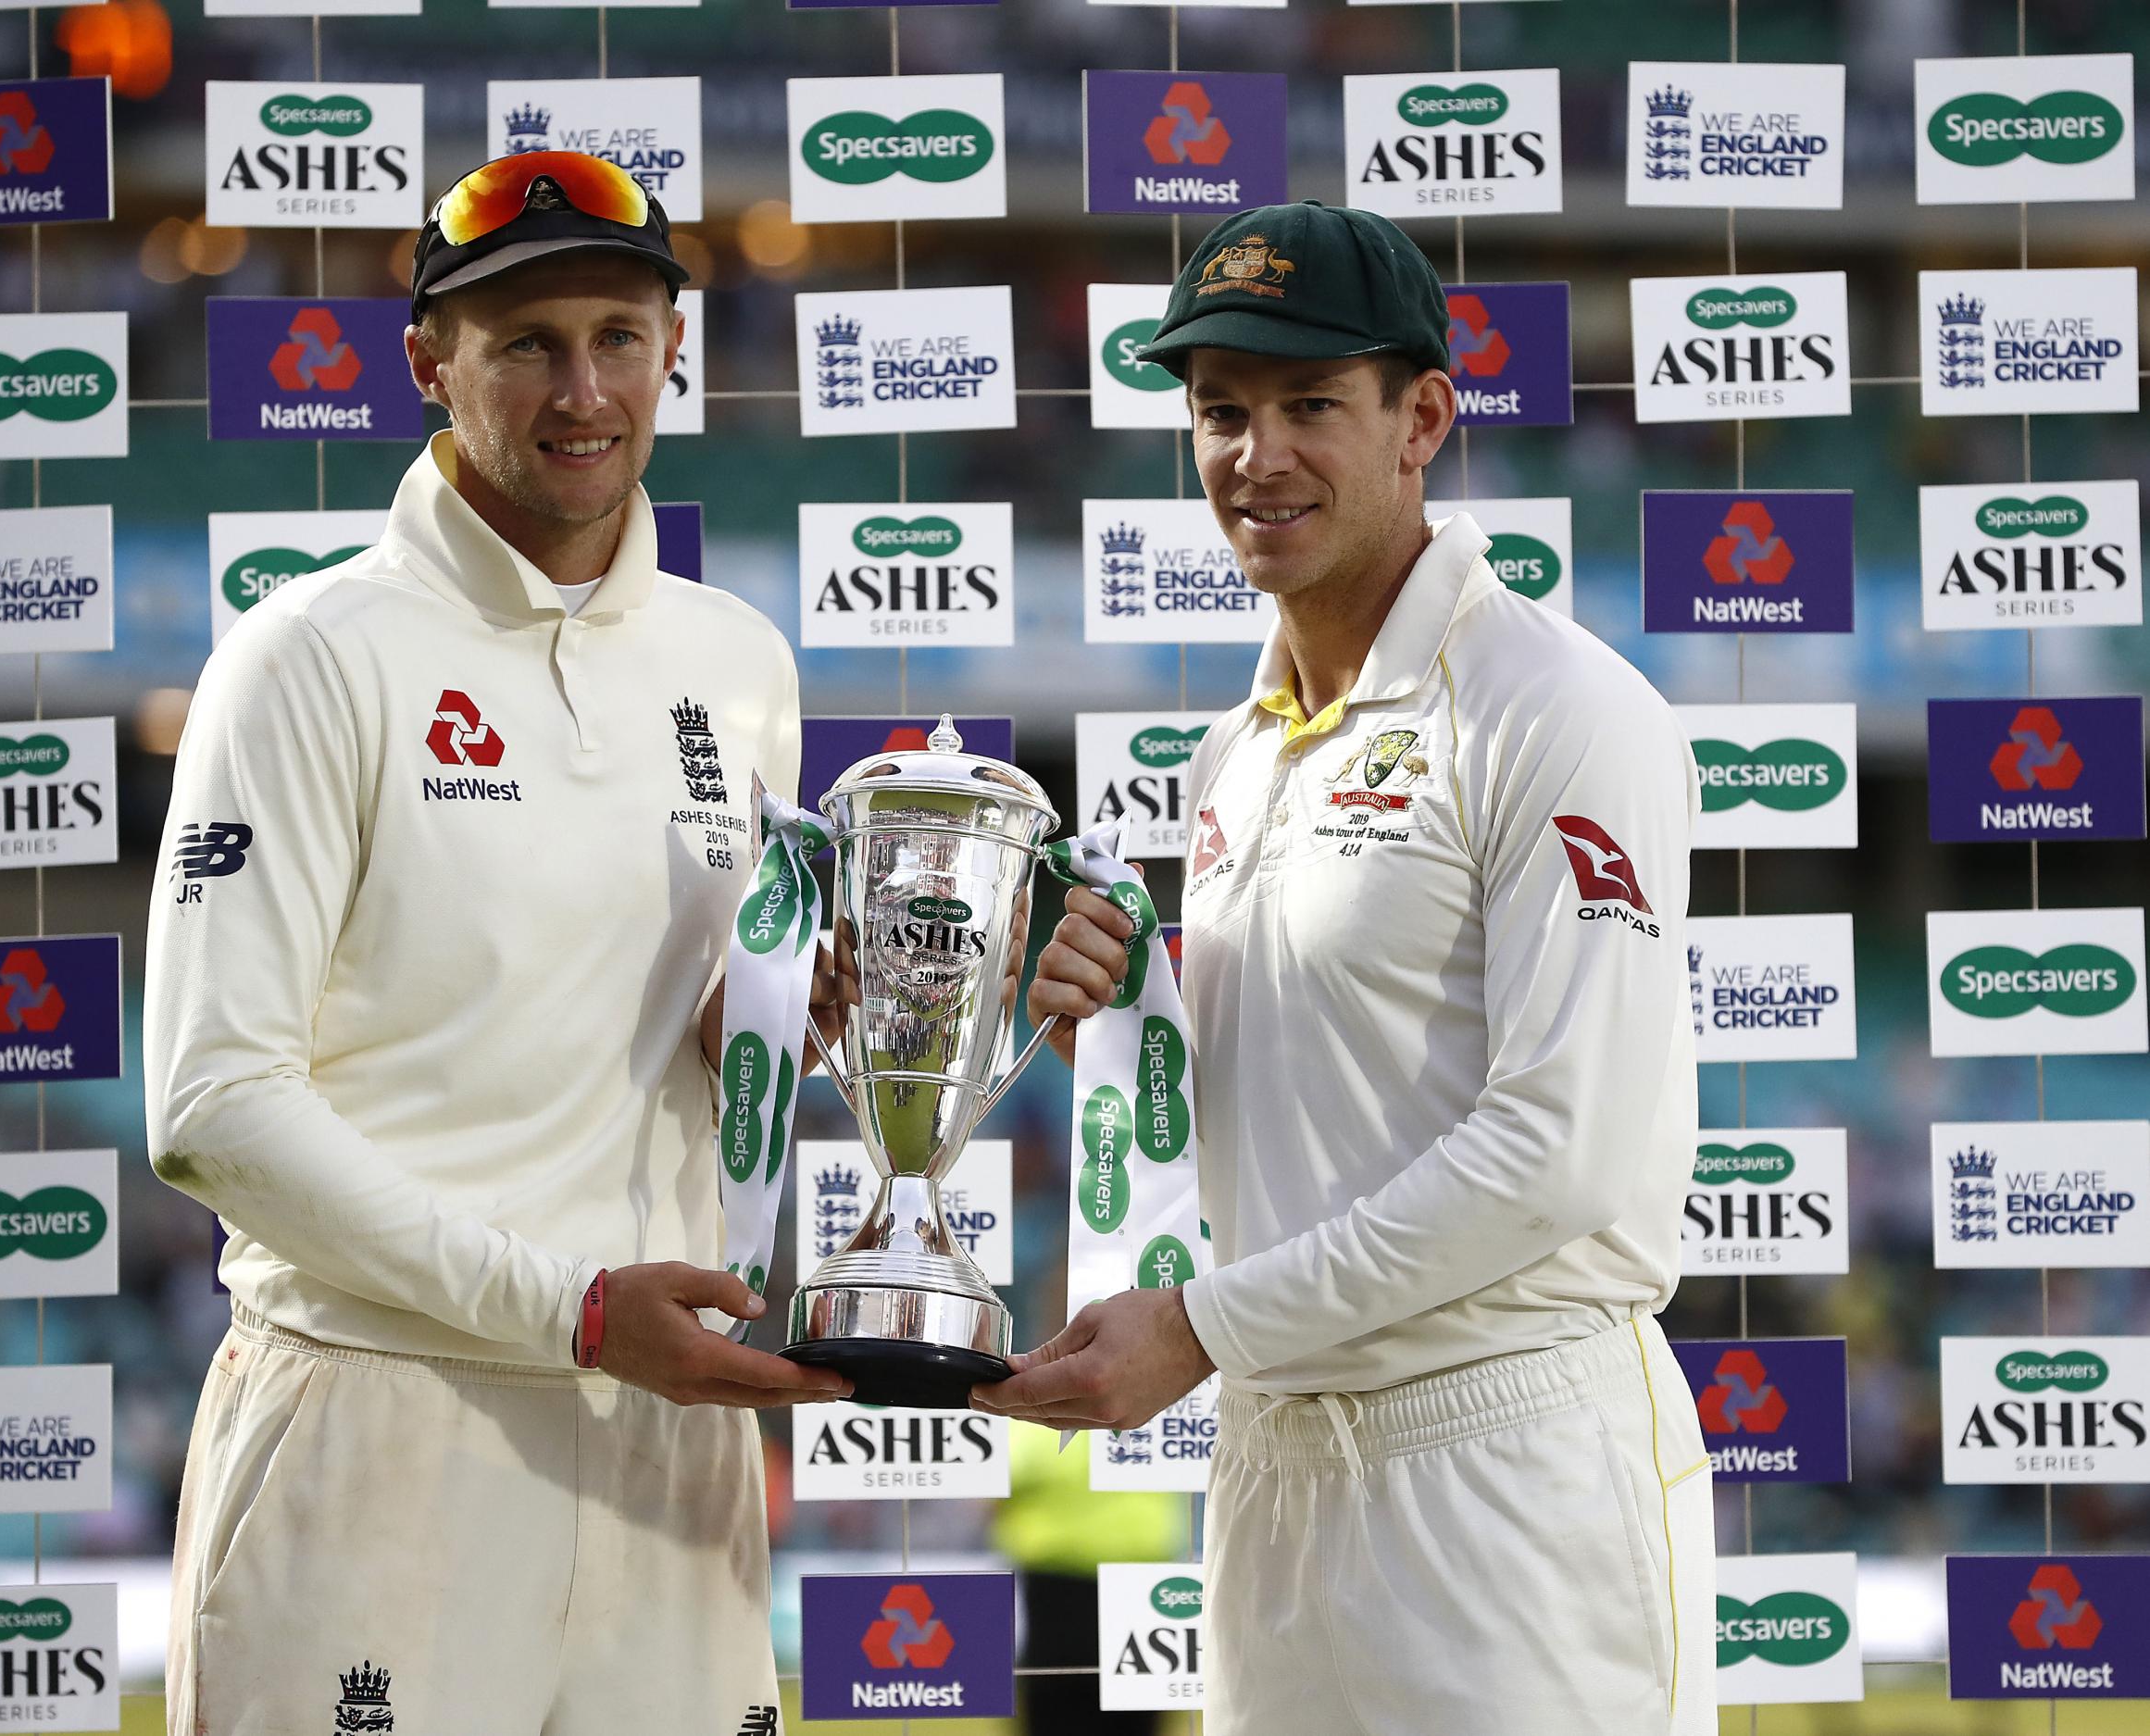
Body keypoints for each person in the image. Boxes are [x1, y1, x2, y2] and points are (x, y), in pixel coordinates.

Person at [981, 200, 1715, 1733]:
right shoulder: (1236, 753)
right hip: (1277, 1471)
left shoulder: (1560, 711)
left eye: (1312, 404)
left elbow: (1554, 1155)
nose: (1260, 457)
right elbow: (1310, 1118)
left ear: (1422, 418)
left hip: (1508, 1475)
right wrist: (1123, 1056)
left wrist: (1196, 1329)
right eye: (1222, 412)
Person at [145, 152, 850, 1736]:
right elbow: (210, 1108)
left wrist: (785, 1015)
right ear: (430, 363)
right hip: (388, 1417)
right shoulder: (308, 659)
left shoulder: (735, 663)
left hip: (672, 1429)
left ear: (678, 346)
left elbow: (661, 1029)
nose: (580, 388)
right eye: (525, 342)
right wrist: (575, 1310)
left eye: (617, 333)